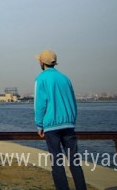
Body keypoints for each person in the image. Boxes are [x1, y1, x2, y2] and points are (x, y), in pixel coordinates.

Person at [34, 50, 87, 190]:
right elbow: (73, 101)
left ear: (41, 62)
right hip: (69, 125)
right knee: (74, 161)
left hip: (52, 126)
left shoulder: (41, 79)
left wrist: (39, 125)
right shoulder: (65, 78)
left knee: (57, 162)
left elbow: (40, 104)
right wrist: (72, 120)